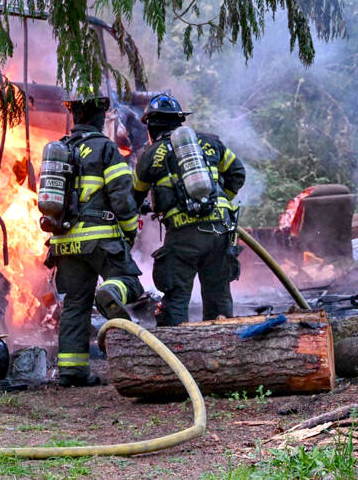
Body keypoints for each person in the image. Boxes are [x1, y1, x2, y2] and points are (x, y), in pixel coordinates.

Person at [44, 92, 144, 387]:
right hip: (100, 238)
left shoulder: (60, 148)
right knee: (127, 280)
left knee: (75, 302)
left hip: (64, 242)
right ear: (100, 117)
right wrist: (129, 231)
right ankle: (110, 293)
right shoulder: (105, 149)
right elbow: (122, 198)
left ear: (74, 116)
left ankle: (72, 372)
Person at [132, 94, 246, 326]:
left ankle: (177, 355)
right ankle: (223, 353)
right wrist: (221, 203)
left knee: (176, 298)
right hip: (220, 230)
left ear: (151, 126)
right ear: (179, 121)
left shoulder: (150, 156)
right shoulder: (210, 143)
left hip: (183, 236)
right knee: (219, 298)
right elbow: (237, 173)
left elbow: (133, 197)